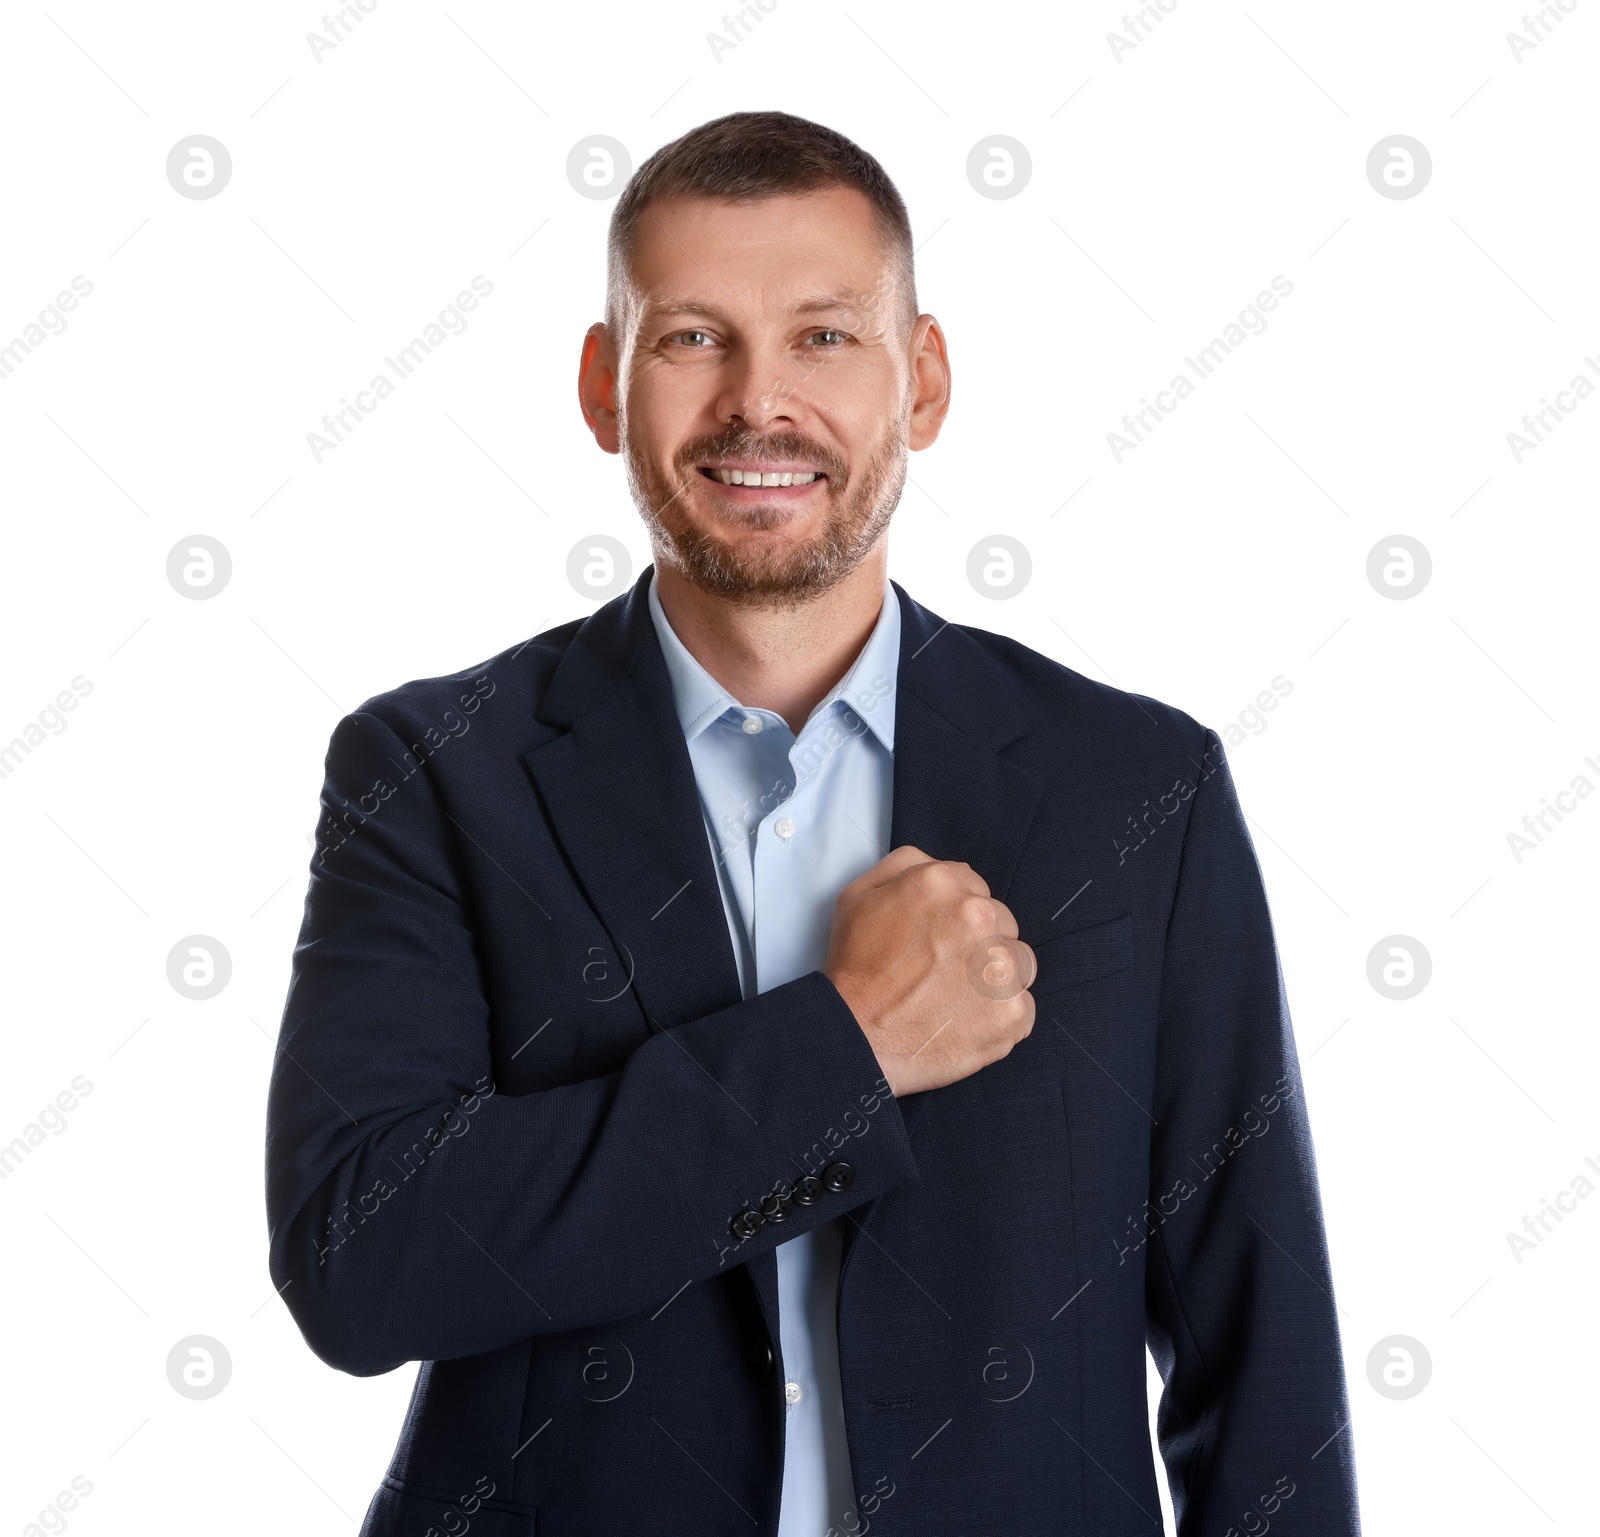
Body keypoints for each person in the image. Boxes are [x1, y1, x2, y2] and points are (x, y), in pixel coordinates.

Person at [266, 110, 1360, 1537]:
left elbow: (1258, 1344)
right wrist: (845, 1045)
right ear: (604, 387)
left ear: (926, 379)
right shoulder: (432, 771)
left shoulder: (1137, 787)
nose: (757, 404)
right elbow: (362, 1257)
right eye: (691, 338)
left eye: (826, 338)